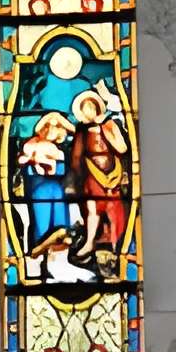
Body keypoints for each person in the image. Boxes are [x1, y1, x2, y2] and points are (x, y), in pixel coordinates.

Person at [67, 86, 129, 266]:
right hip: (91, 173)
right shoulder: (82, 131)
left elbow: (122, 148)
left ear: (97, 108)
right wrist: (76, 177)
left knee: (114, 206)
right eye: (85, 108)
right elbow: (77, 156)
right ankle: (89, 242)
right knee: (92, 208)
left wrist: (108, 128)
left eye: (91, 107)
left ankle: (119, 245)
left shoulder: (108, 125)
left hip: (113, 172)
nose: (89, 111)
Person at [15, 111, 74, 273]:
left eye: (55, 126)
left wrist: (51, 165)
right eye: (47, 125)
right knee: (43, 200)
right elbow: (25, 165)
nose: (50, 129)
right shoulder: (31, 144)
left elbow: (60, 170)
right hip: (38, 187)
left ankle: (60, 233)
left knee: (58, 195)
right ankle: (41, 242)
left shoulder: (60, 151)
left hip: (55, 187)